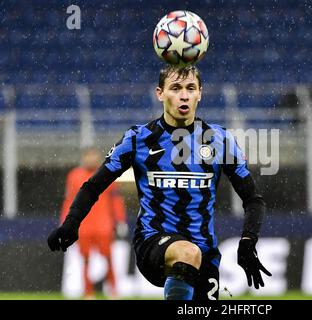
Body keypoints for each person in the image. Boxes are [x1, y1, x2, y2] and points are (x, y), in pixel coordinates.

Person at [48, 65, 271, 300]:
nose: (184, 95)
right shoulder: (138, 139)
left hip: (204, 252)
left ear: (200, 94)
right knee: (187, 252)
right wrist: (71, 223)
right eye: (175, 88)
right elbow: (93, 186)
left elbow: (253, 200)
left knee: (193, 259)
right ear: (160, 93)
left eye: (190, 88)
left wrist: (248, 240)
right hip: (152, 241)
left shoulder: (221, 141)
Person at [59, 147, 128, 299]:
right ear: (83, 158)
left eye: (93, 156)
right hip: (83, 225)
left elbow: (116, 200)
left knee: (108, 257)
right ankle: (88, 292)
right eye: (88, 156)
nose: (90, 159)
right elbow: (69, 200)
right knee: (85, 259)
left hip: (104, 224)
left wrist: (120, 220)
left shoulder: (107, 174)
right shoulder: (74, 176)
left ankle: (114, 290)